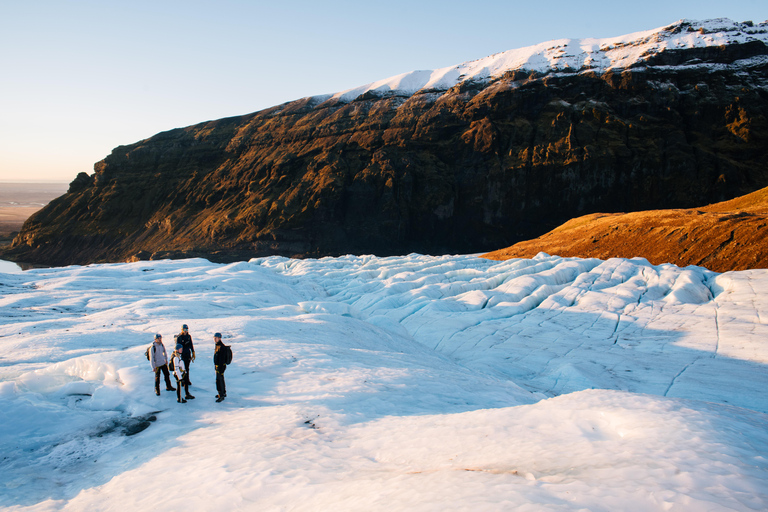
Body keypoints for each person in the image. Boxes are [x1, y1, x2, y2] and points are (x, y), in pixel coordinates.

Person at [213, 332, 228, 402]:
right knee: (221, 379)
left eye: (216, 338)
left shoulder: (221, 347)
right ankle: (223, 393)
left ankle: (221, 395)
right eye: (214, 338)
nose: (214, 339)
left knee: (219, 381)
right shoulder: (217, 345)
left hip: (220, 367)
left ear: (219, 338)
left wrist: (220, 368)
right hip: (218, 366)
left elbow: (222, 359)